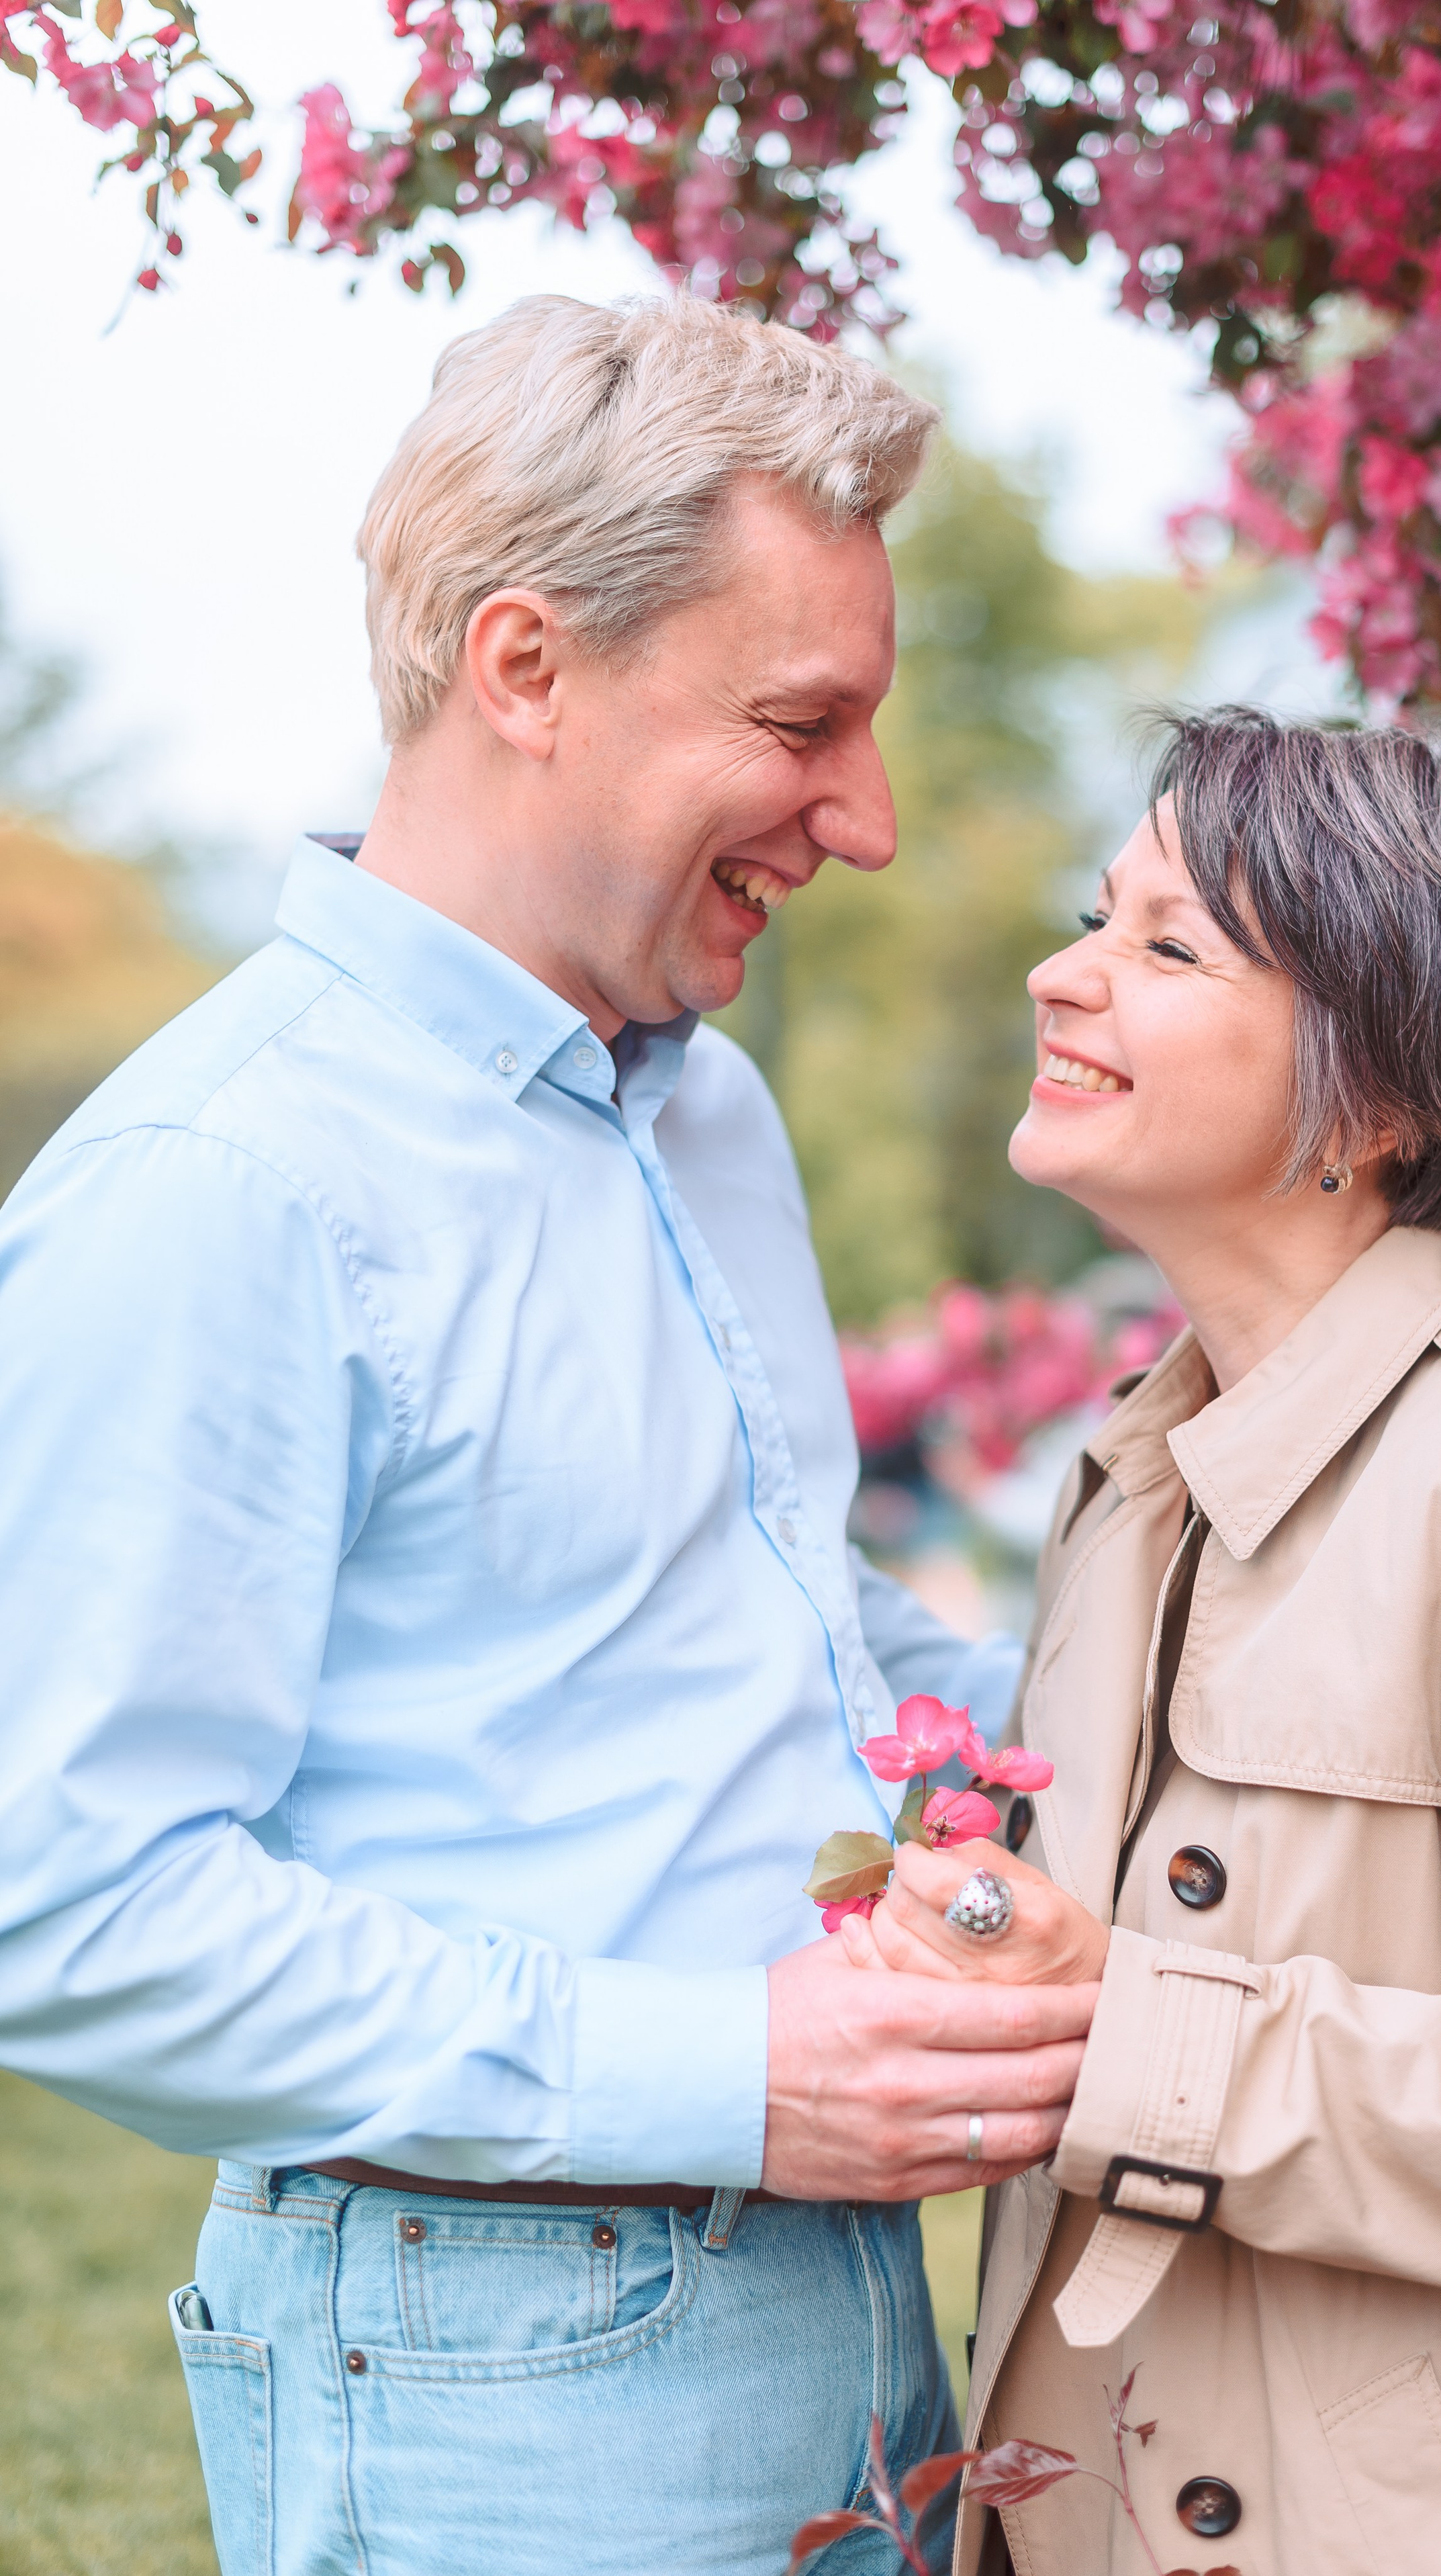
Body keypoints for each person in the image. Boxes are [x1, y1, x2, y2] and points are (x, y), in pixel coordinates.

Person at [0, 295, 1096, 2576]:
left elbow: (796, 1604)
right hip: (500, 2354)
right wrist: (731, 2074)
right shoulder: (223, 1185)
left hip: (846, 2286)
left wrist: (1215, 1735)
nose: (873, 822)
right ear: (525, 666)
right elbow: (67, 1909)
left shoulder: (707, 1110)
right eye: (804, 722)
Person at [845, 712, 1441, 2576]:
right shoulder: (1127, 1481)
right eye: (1102, 915)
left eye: (1167, 945)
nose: (1059, 973)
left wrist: (1122, 2038)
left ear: (1382, 1098)